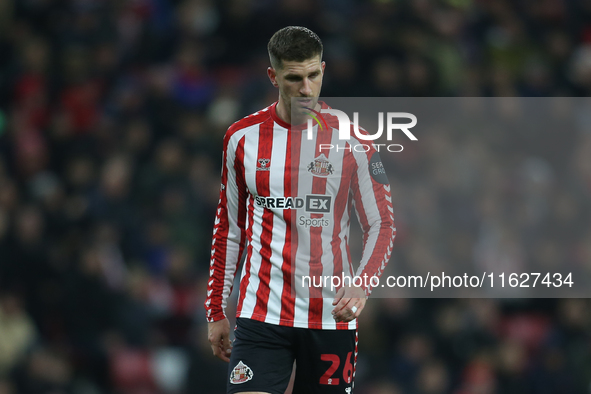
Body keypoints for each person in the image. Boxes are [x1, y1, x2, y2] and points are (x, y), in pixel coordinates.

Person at [205, 26, 396, 394]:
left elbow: (382, 223)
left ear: (323, 69)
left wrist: (362, 285)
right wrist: (215, 310)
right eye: (294, 78)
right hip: (261, 312)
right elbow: (228, 228)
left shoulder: (355, 139)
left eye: (313, 75)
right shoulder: (241, 138)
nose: (306, 89)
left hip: (329, 314)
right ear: (273, 77)